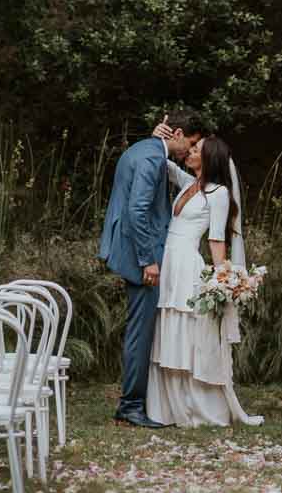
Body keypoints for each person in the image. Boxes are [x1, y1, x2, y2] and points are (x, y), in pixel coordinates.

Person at [146, 133, 263, 427]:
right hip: (169, 263)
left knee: (188, 331)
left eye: (195, 149)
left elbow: (215, 239)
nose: (189, 151)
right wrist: (157, 139)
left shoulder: (219, 193)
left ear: (209, 158)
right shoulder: (190, 184)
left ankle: (199, 406)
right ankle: (168, 406)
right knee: (169, 326)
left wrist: (223, 276)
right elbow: (166, 163)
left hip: (187, 265)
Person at [98, 114, 207, 427]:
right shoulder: (151, 158)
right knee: (140, 330)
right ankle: (131, 406)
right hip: (138, 253)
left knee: (140, 327)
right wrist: (148, 260)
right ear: (179, 133)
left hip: (133, 248)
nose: (189, 151)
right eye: (189, 143)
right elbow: (138, 210)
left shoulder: (146, 149)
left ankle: (135, 402)